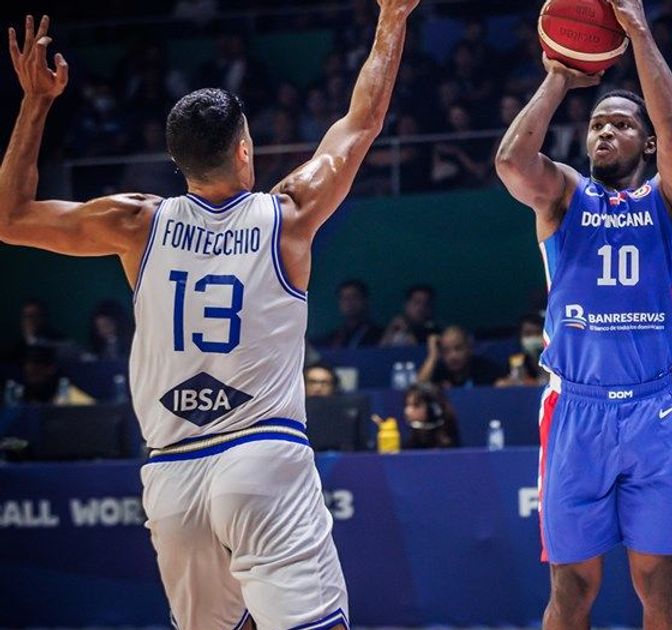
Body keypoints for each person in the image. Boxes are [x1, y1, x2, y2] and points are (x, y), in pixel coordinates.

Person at [0, 5, 420, 628]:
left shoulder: (136, 223)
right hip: (262, 457)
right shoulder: (288, 215)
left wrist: (35, 102)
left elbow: (10, 216)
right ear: (245, 148)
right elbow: (363, 122)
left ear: (178, 161)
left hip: (172, 477)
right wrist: (391, 16)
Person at [495, 0, 672, 626]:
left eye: (618, 124)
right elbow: (510, 162)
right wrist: (560, 76)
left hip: (653, 407)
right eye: (595, 125)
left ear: (644, 141)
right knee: (571, 588)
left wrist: (637, 29)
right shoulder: (563, 196)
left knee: (660, 582)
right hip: (575, 407)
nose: (604, 133)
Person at [417, 325, 503, 389]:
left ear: (469, 347)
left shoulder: (487, 370)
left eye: (458, 349)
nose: (453, 356)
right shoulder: (439, 371)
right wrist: (432, 356)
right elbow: (418, 388)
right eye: (446, 351)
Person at [316, 279, 384, 348]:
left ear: (365, 300)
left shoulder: (379, 335)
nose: (349, 302)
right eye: (344, 298)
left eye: (354, 297)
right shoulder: (334, 338)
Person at [495, 312, 550, 387]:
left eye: (538, 333)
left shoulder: (553, 359)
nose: (533, 338)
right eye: (528, 334)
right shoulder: (516, 357)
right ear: (520, 336)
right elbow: (501, 383)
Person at [401, 382, 459, 449]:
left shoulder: (447, 445)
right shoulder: (408, 444)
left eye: (416, 405)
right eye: (407, 405)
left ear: (433, 410)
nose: (407, 411)